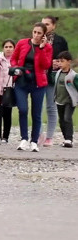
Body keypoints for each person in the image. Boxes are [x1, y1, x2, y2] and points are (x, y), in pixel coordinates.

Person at [10, 22, 53, 152]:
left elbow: (46, 65)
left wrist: (41, 48)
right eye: (34, 32)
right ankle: (24, 138)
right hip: (22, 80)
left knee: (37, 113)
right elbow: (13, 58)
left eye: (39, 33)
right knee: (22, 109)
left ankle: (34, 141)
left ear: (44, 35)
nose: (36, 35)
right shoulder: (22, 43)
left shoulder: (47, 48)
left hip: (38, 82)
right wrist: (16, 68)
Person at [40, 16, 69, 147]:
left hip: (53, 77)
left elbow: (67, 58)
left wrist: (59, 63)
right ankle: (39, 134)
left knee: (51, 107)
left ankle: (49, 137)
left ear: (53, 26)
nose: (44, 26)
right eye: (42, 24)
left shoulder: (61, 40)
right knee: (37, 107)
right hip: (39, 76)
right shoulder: (36, 39)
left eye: (47, 24)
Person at [53, 51, 77, 148]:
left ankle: (69, 139)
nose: (60, 63)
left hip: (69, 101)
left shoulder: (73, 75)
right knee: (61, 120)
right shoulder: (58, 73)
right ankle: (65, 138)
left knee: (67, 118)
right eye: (59, 61)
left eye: (62, 61)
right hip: (59, 100)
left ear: (69, 62)